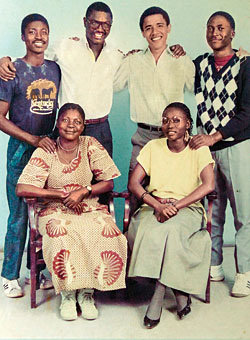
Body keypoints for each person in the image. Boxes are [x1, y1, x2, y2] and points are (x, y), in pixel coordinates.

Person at [0, 2, 184, 157]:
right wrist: (6, 60)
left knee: (102, 185)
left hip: (100, 129)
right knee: (62, 184)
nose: (100, 29)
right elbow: (34, 56)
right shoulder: (65, 47)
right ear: (85, 22)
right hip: (67, 127)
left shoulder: (117, 55)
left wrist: (173, 50)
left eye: (106, 25)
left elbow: (141, 60)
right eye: (95, 22)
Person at [16, 102, 127, 321]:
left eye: (77, 121)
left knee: (107, 230)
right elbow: (22, 188)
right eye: (66, 119)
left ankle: (87, 294)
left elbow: (109, 183)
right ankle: (68, 295)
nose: (71, 125)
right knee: (63, 232)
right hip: (54, 209)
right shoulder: (47, 148)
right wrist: (58, 195)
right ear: (57, 123)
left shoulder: (90, 144)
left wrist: (84, 191)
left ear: (84, 126)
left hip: (87, 205)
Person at [127, 102, 214, 328]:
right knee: (147, 228)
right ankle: (180, 294)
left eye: (176, 120)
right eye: (165, 120)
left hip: (188, 208)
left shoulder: (199, 149)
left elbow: (208, 185)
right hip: (155, 206)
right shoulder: (153, 147)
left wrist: (177, 206)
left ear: (188, 124)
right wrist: (156, 204)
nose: (169, 124)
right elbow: (134, 183)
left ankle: (158, 295)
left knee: (171, 230)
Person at [0, 14, 61, 298]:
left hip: (48, 149)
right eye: (32, 31)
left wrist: (44, 141)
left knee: (44, 211)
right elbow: (0, 118)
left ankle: (37, 270)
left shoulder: (55, 69)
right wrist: (32, 139)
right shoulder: (12, 71)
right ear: (24, 37)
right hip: (22, 149)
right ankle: (9, 275)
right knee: (19, 215)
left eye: (44, 31)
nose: (39, 36)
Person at [190, 11, 250, 297]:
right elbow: (168, 71)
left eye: (222, 27)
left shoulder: (245, 64)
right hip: (207, 149)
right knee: (212, 210)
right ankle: (213, 263)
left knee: (243, 213)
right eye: (211, 27)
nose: (215, 32)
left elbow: (247, 113)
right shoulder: (200, 64)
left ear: (232, 33)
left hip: (235, 145)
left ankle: (244, 273)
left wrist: (214, 136)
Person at [114, 6, 195, 173]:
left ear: (168, 28)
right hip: (143, 136)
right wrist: (117, 56)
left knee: (172, 186)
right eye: (148, 28)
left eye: (160, 25)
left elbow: (196, 88)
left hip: (173, 135)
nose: (154, 32)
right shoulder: (132, 60)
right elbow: (113, 85)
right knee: (136, 186)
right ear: (143, 33)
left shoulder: (182, 60)